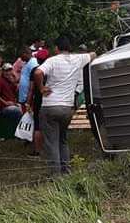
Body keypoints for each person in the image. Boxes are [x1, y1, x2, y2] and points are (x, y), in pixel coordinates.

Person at [33, 36, 96, 174]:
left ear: (56, 48)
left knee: (51, 142)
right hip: (67, 107)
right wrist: (83, 56)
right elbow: (93, 55)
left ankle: (55, 175)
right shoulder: (78, 59)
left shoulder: (52, 61)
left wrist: (41, 88)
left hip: (50, 106)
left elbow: (38, 72)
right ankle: (66, 171)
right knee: (63, 140)